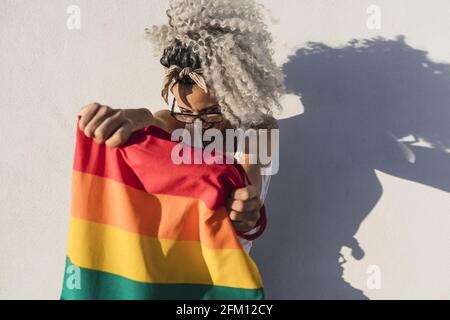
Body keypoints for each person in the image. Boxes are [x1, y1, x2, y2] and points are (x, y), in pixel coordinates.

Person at [77, 0, 285, 253]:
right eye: (187, 111)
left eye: (210, 112)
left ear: (235, 98)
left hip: (226, 276)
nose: (198, 122)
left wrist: (246, 208)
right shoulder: (173, 122)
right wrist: (130, 118)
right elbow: (155, 120)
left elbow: (248, 177)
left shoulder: (261, 130)